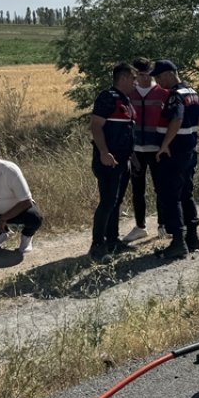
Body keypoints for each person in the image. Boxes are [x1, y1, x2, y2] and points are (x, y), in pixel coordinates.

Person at [151, 59, 199, 258]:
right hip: (189, 150)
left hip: (175, 152)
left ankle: (178, 242)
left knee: (171, 195)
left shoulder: (175, 95)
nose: (158, 82)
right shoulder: (191, 92)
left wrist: (165, 144)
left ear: (169, 73)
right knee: (186, 192)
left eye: (159, 77)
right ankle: (192, 238)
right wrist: (191, 128)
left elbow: (176, 119)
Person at [88, 63, 137, 263]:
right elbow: (96, 126)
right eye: (133, 78)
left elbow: (127, 132)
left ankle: (113, 240)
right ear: (123, 78)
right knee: (107, 202)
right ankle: (97, 246)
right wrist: (104, 152)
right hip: (109, 160)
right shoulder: (107, 97)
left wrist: (132, 157)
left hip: (123, 160)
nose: (136, 82)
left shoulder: (126, 101)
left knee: (116, 201)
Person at [125, 57, 170, 242]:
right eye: (138, 75)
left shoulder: (162, 93)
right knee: (137, 189)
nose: (142, 79)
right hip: (136, 149)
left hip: (157, 148)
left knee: (161, 188)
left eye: (145, 75)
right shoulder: (130, 94)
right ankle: (140, 226)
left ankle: (163, 225)